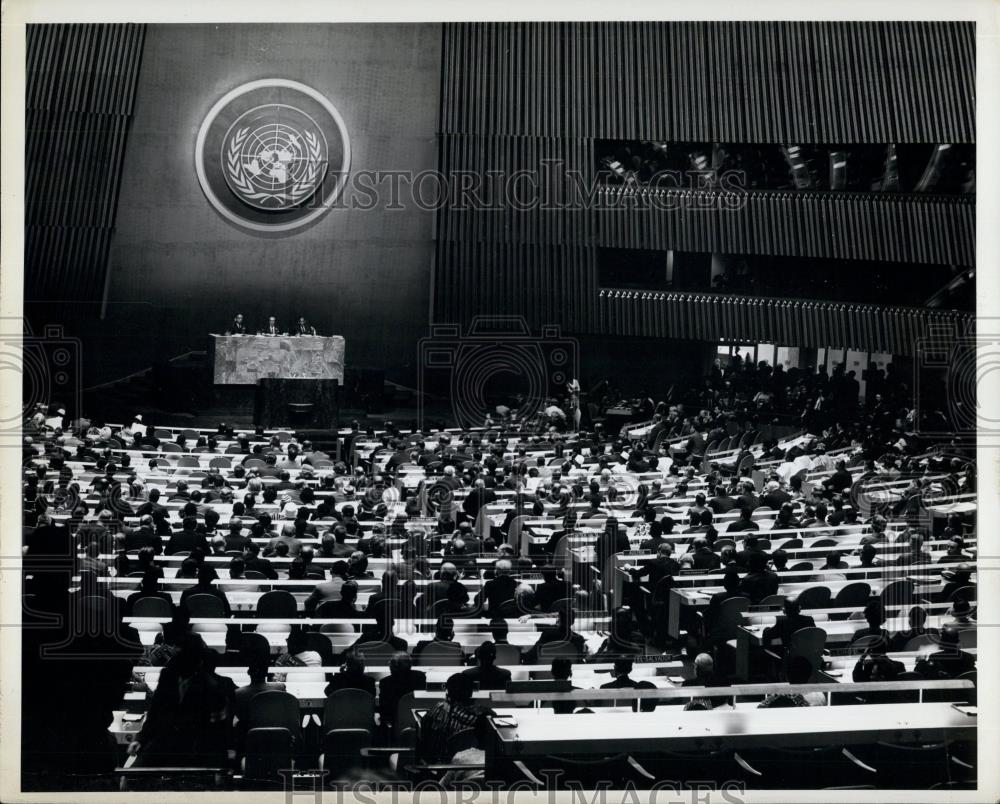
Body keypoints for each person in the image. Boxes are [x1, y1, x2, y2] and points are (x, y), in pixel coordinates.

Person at [128, 633, 235, 767]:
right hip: (163, 744)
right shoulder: (167, 676)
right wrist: (140, 739)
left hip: (193, 752)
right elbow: (155, 712)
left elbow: (216, 733)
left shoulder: (211, 688)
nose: (173, 661)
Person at [417, 673, 484, 763]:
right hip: (471, 765)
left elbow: (424, 736)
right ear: (471, 691)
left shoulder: (438, 709)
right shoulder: (483, 718)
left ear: (448, 689)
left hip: (439, 765)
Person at [378, 653, 427, 731]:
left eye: (391, 665)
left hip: (395, 723)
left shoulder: (386, 682)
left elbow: (383, 708)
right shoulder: (420, 677)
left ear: (394, 666)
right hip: (417, 720)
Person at [233, 660, 286, 726]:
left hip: (250, 732)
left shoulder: (239, 693)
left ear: (248, 672)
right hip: (275, 729)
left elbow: (240, 715)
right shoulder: (280, 688)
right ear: (266, 673)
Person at [757, 656, 824, 707]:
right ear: (809, 675)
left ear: (787, 675)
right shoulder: (820, 696)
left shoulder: (779, 694)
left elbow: (760, 708)